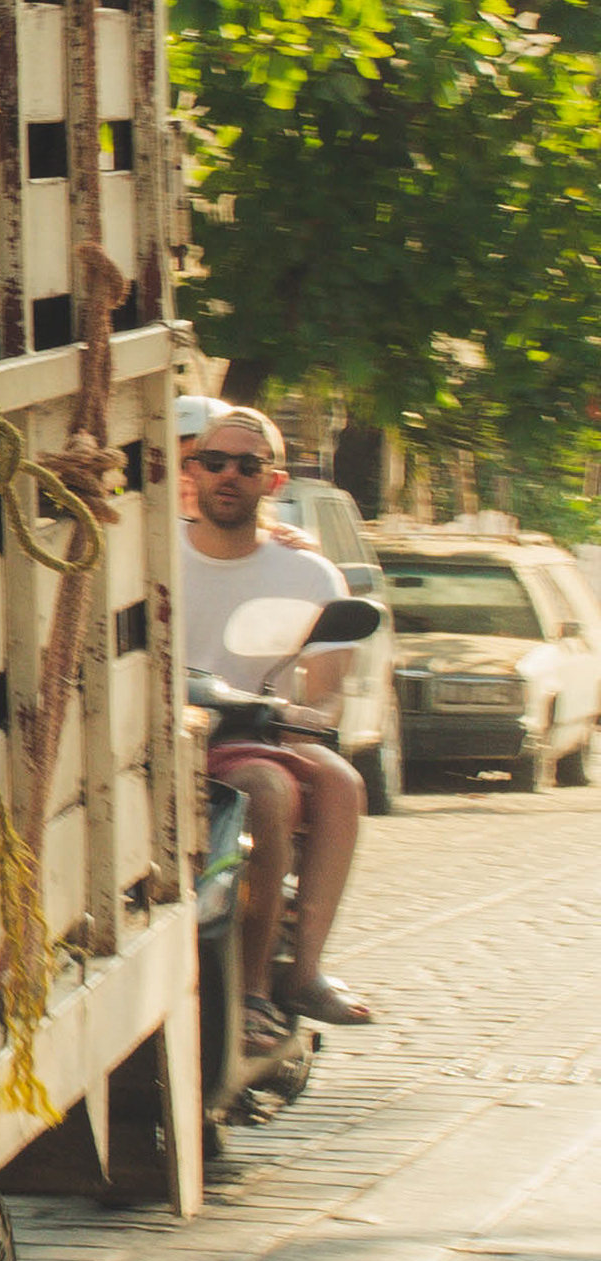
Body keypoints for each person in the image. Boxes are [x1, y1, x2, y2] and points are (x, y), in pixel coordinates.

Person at [178, 403, 372, 1070]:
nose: (228, 475)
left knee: (337, 782)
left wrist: (302, 720)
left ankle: (293, 974)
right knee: (266, 788)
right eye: (214, 461)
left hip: (249, 733)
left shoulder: (308, 574)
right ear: (190, 473)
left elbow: (325, 686)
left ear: (273, 482)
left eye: (247, 465)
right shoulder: (151, 552)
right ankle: (251, 987)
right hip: (159, 734)